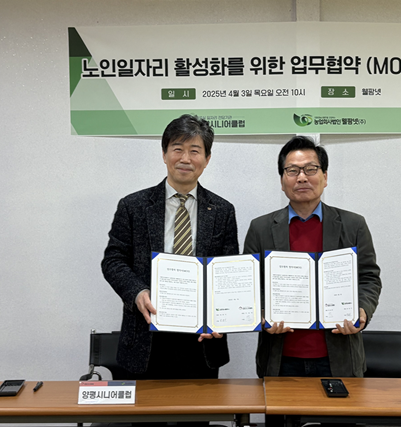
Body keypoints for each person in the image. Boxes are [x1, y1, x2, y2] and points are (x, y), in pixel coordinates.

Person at [102, 114, 239, 380]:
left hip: (201, 342)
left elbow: (228, 270)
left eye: (195, 151)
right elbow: (113, 261)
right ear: (164, 154)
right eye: (178, 149)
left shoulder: (222, 210)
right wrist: (137, 292)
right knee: (146, 409)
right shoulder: (133, 206)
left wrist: (222, 318)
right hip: (146, 337)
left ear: (207, 159)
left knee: (199, 409)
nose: (185, 158)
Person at [244, 136, 382, 378]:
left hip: (339, 355)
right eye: (292, 170)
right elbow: (250, 284)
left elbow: (369, 278)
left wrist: (362, 310)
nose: (302, 177)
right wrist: (263, 313)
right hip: (280, 357)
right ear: (282, 180)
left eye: (310, 169)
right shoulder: (261, 228)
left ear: (325, 177)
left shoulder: (353, 224)